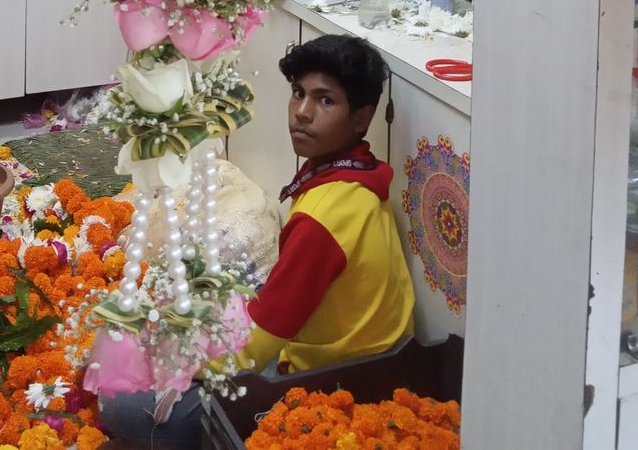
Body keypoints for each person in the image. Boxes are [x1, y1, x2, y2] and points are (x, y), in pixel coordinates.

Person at [99, 33, 416, 448]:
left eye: (325, 101)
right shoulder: (361, 176)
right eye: (298, 93)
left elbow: (253, 352)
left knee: (121, 399)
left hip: (329, 383)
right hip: (376, 364)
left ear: (361, 118)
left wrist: (169, 358)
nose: (302, 113)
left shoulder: (323, 220)